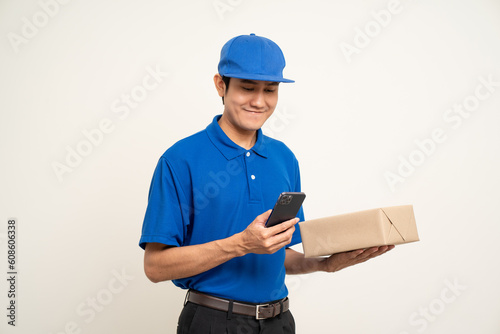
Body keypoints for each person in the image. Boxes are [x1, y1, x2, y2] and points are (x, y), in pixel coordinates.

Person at [139, 33, 394, 334]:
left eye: (270, 90)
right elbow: (155, 267)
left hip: (279, 322)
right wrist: (240, 244)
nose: (259, 101)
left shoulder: (284, 158)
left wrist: (324, 264)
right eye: (247, 88)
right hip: (213, 322)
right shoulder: (180, 159)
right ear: (221, 85)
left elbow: (275, 253)